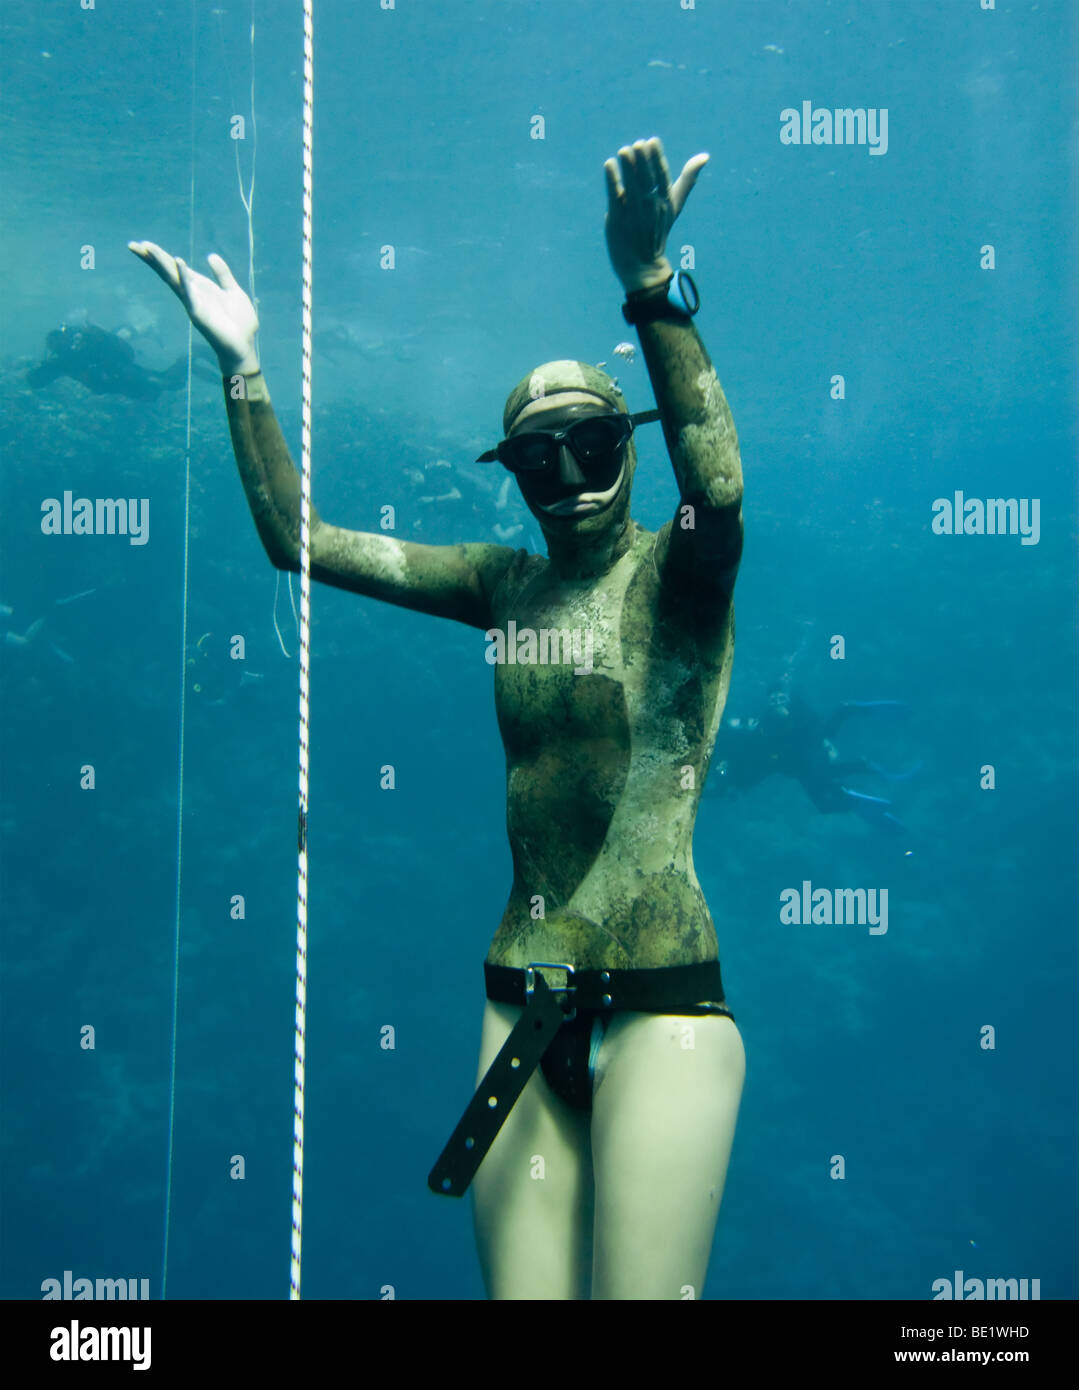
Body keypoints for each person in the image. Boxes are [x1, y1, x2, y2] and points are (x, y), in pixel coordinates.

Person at [129, 135, 746, 1301]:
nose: (566, 474)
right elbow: (300, 542)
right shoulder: (499, 586)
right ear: (511, 472)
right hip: (515, 1002)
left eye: (596, 443)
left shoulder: (681, 579)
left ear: (630, 445)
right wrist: (241, 367)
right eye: (535, 456)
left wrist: (649, 284)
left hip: (665, 1008)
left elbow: (715, 484)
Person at [713, 685, 915, 833]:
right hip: (800, 767)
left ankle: (852, 714)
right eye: (773, 700)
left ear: (787, 697)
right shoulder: (765, 724)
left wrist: (825, 744)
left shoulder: (796, 710)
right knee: (824, 804)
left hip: (812, 750)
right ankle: (852, 795)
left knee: (827, 763)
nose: (777, 703)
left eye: (781, 698)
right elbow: (762, 757)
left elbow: (815, 728)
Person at [25, 323, 190, 399]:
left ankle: (188, 358)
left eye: (58, 345)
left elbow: (110, 352)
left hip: (120, 372)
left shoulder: (80, 346)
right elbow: (37, 380)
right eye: (55, 347)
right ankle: (187, 361)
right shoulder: (63, 362)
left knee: (169, 384)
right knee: (151, 394)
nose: (58, 349)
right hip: (116, 382)